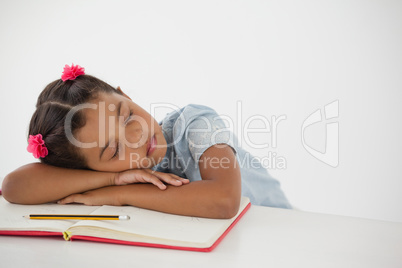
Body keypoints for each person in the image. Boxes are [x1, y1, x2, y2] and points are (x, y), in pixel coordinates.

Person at [1, 64, 292, 219]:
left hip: (280, 230)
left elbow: (225, 200)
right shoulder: (111, 174)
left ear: (125, 95)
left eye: (127, 116)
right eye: (114, 150)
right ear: (91, 169)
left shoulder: (194, 122)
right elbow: (14, 187)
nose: (136, 136)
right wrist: (116, 179)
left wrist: (120, 194)